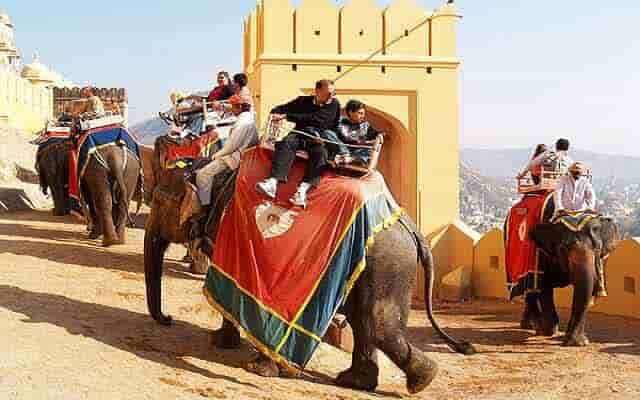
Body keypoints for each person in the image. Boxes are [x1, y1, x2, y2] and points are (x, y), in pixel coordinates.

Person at [256, 79, 341, 208]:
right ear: (317, 91)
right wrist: (276, 112)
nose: (331, 95)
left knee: (321, 153)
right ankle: (272, 182)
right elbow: (283, 108)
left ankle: (302, 191)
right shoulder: (302, 101)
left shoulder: (333, 104)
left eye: (333, 92)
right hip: (300, 134)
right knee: (286, 142)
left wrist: (287, 116)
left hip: (319, 137)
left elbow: (319, 120)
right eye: (328, 93)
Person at [195, 94, 258, 208]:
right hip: (244, 156)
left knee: (202, 175)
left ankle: (204, 207)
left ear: (239, 107)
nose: (231, 109)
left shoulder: (241, 122)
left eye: (233, 106)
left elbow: (231, 147)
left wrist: (215, 155)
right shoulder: (248, 118)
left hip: (235, 158)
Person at [335, 99, 383, 166]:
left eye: (363, 114)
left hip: (358, 153)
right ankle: (345, 157)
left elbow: (377, 135)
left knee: (370, 151)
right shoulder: (341, 123)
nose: (363, 116)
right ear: (351, 112)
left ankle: (351, 159)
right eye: (360, 113)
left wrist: (379, 136)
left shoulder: (365, 126)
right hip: (343, 151)